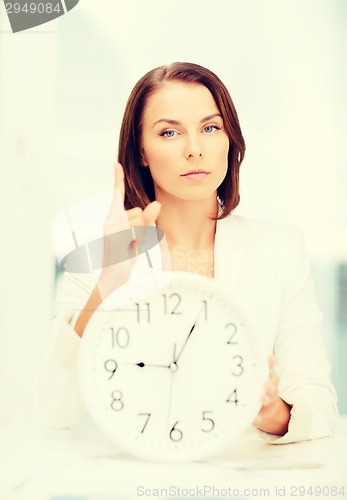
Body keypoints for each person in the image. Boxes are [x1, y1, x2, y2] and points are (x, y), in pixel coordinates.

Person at [36, 62, 338, 443]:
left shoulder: (280, 248)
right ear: (141, 152)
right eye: (169, 132)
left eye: (210, 128)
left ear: (230, 140)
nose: (195, 150)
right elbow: (55, 410)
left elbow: (320, 406)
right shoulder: (104, 255)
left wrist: (268, 409)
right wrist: (108, 286)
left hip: (241, 482)